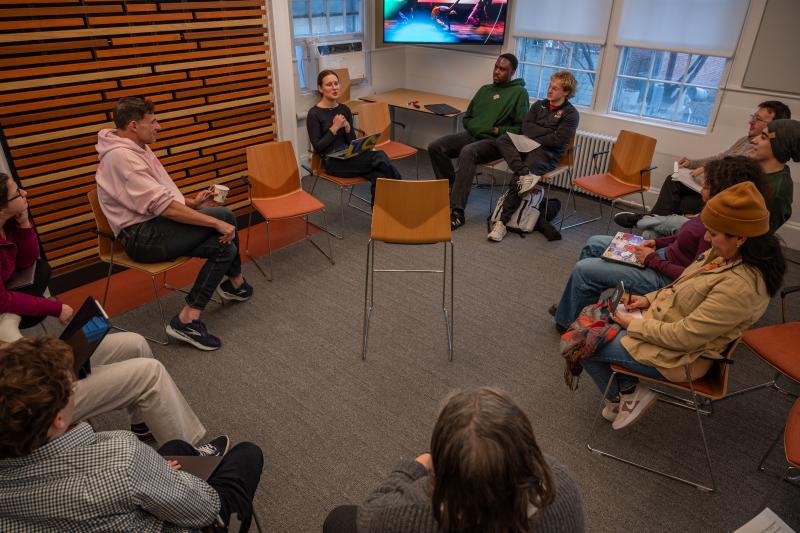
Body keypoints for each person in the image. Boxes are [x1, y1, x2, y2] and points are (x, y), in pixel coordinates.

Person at [0, 336, 264, 532]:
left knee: (176, 445)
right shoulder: (123, 457)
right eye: (71, 386)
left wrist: (154, 473)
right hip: (181, 516)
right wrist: (165, 477)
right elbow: (204, 508)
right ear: (58, 418)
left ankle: (190, 458)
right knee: (247, 454)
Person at [580, 181, 785, 430]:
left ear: (741, 237)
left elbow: (684, 337)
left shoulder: (740, 287)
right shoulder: (723, 254)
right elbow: (681, 285)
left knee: (581, 341)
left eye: (714, 233)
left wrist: (632, 325)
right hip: (664, 327)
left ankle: (625, 396)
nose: (707, 238)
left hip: (680, 358)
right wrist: (648, 300)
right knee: (592, 322)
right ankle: (627, 393)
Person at [95, 96, 253, 351]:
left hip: (154, 225)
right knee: (223, 217)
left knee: (225, 247)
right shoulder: (122, 158)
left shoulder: (137, 148)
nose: (159, 127)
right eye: (153, 121)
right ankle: (235, 283)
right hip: (140, 238)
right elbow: (163, 207)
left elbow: (157, 197)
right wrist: (214, 223)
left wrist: (191, 204)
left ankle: (188, 318)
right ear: (134, 125)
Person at [323, 387, 585, 533]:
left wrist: (414, 467)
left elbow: (369, 515)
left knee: (338, 520)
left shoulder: (415, 513)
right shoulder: (562, 487)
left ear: (444, 466)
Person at [552, 156, 766, 331]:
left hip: (664, 277)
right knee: (595, 242)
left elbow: (690, 277)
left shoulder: (719, 235)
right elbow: (682, 236)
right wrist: (656, 242)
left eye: (707, 185)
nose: (702, 188)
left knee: (585, 270)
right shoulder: (712, 211)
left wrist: (652, 259)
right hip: (660, 257)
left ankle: (566, 321)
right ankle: (576, 309)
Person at [615, 100, 791, 228]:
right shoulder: (746, 140)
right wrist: (692, 163)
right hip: (710, 190)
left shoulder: (759, 158)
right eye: (754, 116)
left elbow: (728, 183)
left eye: (759, 120)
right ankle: (652, 225)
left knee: (679, 200)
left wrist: (704, 172)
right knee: (674, 183)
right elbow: (721, 157)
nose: (752, 121)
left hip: (718, 197)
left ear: (775, 129)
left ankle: (648, 222)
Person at [72, 331, 225, 452]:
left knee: (136, 344)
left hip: (51, 359)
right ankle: (186, 457)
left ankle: (142, 426)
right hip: (51, 390)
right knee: (152, 374)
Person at [427, 54, 529, 230]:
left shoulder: (519, 93)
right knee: (435, 146)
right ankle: (450, 190)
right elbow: (468, 117)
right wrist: (476, 127)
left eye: (502, 69)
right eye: (496, 67)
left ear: (512, 72)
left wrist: (498, 130)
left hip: (496, 142)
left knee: (468, 151)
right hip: (472, 135)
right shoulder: (485, 90)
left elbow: (521, 128)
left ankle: (457, 212)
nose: (497, 71)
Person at [488, 71, 580, 242]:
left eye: (555, 88)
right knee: (503, 139)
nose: (549, 90)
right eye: (549, 86)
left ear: (566, 92)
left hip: (547, 153)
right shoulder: (539, 105)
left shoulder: (571, 114)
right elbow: (526, 128)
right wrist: (545, 131)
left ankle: (501, 223)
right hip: (527, 145)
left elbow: (557, 140)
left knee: (521, 174)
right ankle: (524, 174)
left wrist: (537, 134)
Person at [306, 70, 402, 205]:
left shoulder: (344, 109)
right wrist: (334, 128)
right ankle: (404, 193)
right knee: (379, 156)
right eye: (329, 85)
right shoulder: (314, 113)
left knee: (379, 177)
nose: (334, 87)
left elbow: (350, 142)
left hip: (349, 155)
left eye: (336, 83)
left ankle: (381, 220)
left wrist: (347, 129)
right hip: (332, 162)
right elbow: (318, 147)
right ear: (320, 88)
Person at [0, 172, 73, 342]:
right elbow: (2, 300)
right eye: (17, 193)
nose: (24, 193)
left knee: (41, 269)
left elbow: (27, 260)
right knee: (37, 306)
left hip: (6, 286)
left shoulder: (8, 222)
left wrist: (24, 223)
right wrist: (54, 308)